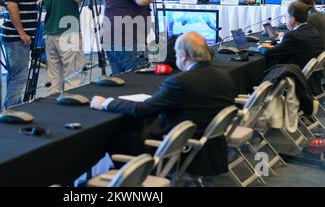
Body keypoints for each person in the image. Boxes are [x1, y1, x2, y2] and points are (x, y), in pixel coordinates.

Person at [91, 32, 234, 176]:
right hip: (212, 150)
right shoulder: (224, 76)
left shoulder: (180, 82)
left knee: (119, 136)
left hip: (179, 152)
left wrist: (106, 103)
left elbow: (142, 109)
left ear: (183, 55)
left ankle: (128, 180)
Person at [38, 0, 99, 94]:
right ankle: (72, 113)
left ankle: (54, 111)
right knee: (73, 76)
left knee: (54, 78)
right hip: (69, 30)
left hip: (50, 31)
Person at [0, 0, 38, 108]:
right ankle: (13, 109)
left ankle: (10, 107)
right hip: (17, 38)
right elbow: (12, 5)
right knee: (19, 76)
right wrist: (22, 33)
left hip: (14, 36)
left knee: (14, 75)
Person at [259, 2, 325, 69]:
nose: (286, 20)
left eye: (286, 17)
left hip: (297, 76)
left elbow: (269, 53)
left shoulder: (293, 36)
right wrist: (282, 38)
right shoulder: (313, 29)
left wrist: (260, 48)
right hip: (313, 74)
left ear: (292, 20)